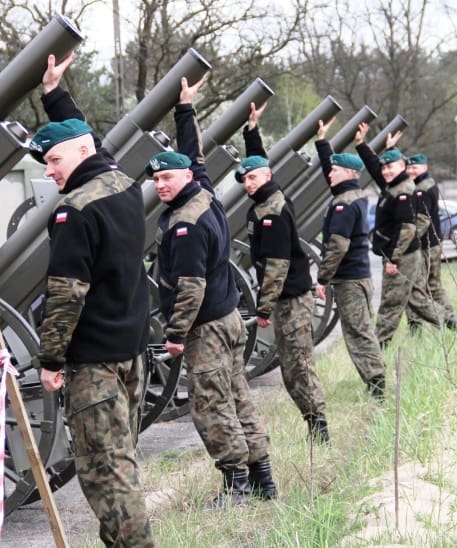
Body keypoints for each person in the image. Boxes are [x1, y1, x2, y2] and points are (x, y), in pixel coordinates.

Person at [29, 52, 154, 548]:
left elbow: (65, 295)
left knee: (107, 474)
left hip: (94, 361)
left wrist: (50, 359)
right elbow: (91, 143)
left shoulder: (74, 212)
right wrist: (55, 94)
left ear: (78, 154)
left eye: (54, 161)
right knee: (121, 461)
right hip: (131, 351)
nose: (50, 172)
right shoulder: (123, 185)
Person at [150, 76, 276, 507]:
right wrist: (185, 110)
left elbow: (190, 286)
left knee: (210, 407)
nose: (160, 185)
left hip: (204, 326)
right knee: (238, 396)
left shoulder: (184, 224)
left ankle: (236, 485)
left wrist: (175, 334)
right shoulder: (203, 194)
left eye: (166, 178)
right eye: (156, 180)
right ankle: (263, 477)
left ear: (182, 178)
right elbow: (195, 157)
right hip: (229, 319)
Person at [236, 102, 329, 444]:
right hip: (285, 300)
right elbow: (259, 161)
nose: (248, 183)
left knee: (298, 369)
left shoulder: (272, 211)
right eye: (244, 179)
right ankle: (315, 423)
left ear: (267, 177)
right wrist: (251, 131)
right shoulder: (267, 199)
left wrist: (262, 308)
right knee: (292, 369)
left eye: (253, 178)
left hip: (291, 301)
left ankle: (319, 428)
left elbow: (276, 266)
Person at [313, 118, 386, 400]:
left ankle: (377, 387)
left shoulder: (344, 204)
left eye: (334, 171)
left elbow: (337, 245)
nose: (329, 175)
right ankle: (376, 380)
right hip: (360, 277)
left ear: (348, 174)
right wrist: (322, 142)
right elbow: (328, 172)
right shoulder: (354, 195)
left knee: (358, 333)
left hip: (350, 280)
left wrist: (322, 277)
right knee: (362, 330)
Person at [354, 124, 444, 346]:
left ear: (403, 166)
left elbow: (408, 228)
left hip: (402, 256)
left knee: (391, 303)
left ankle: (379, 348)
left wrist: (393, 259)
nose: (386, 171)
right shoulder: (393, 184)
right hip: (402, 254)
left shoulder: (404, 191)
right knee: (419, 301)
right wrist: (361, 145)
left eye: (391, 167)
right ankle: (451, 323)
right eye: (385, 168)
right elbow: (377, 168)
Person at [405, 153, 456, 324]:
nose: (411, 170)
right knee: (433, 285)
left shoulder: (422, 189)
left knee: (420, 285)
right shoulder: (425, 184)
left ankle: (427, 323)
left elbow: (422, 221)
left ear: (424, 168)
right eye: (409, 167)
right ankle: (450, 317)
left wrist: (408, 243)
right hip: (433, 243)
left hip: (426, 244)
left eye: (415, 168)